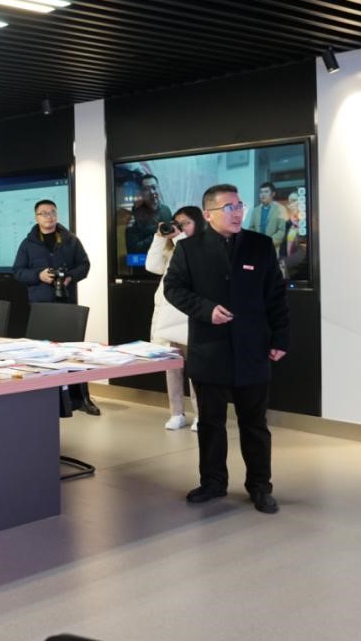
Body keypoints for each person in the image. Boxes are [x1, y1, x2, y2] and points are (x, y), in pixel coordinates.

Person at [164, 184, 289, 514]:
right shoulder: (188, 249)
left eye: (239, 206)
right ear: (208, 215)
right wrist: (205, 310)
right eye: (229, 208)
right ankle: (213, 482)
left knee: (255, 424)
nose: (237, 213)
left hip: (253, 348)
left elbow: (276, 296)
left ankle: (260, 486)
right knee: (210, 423)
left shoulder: (260, 245)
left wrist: (280, 338)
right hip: (210, 348)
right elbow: (173, 288)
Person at [12, 199, 96, 414]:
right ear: (36, 217)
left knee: (73, 352)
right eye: (43, 213)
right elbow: (18, 272)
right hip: (40, 305)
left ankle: (81, 398)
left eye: (52, 212)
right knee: (42, 353)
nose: (48, 217)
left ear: (57, 215)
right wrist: (38, 275)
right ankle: (44, 399)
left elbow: (84, 265)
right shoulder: (28, 243)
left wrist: (70, 277)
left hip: (66, 302)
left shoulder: (70, 240)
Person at [145, 205, 204, 431]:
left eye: (186, 223)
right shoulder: (173, 249)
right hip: (168, 319)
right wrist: (159, 238)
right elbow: (152, 266)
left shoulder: (200, 249)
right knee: (172, 368)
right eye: (177, 224)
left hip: (189, 319)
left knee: (196, 371)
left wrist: (178, 237)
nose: (180, 228)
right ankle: (176, 413)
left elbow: (193, 264)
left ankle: (201, 414)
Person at [125, 174, 173, 258]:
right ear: (141, 193)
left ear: (159, 189)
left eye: (154, 187)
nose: (152, 192)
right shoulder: (134, 217)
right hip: (146, 263)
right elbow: (132, 250)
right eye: (147, 189)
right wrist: (157, 236)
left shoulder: (166, 210)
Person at [245, 181, 288, 252]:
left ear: (273, 194)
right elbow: (251, 228)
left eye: (266, 192)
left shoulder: (281, 209)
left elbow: (281, 231)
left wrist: (267, 243)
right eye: (261, 192)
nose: (263, 195)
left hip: (272, 248)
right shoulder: (255, 210)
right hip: (257, 248)